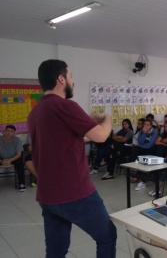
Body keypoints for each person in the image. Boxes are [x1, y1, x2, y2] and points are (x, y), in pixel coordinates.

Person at [28, 59, 116, 257]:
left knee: (56, 250)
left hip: (48, 196)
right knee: (107, 235)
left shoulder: (35, 112)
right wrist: (108, 119)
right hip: (75, 194)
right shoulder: (65, 106)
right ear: (61, 79)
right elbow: (101, 136)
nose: (73, 81)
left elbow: (67, 139)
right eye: (71, 76)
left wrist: (91, 124)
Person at [133, 119, 158, 191]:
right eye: (144, 125)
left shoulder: (154, 132)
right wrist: (144, 133)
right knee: (134, 149)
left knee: (144, 156)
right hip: (142, 149)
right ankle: (135, 168)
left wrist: (141, 146)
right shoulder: (141, 131)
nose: (146, 126)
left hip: (151, 150)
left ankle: (142, 181)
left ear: (150, 126)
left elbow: (150, 145)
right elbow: (140, 142)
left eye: (148, 125)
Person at [0, 125, 26, 191]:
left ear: (14, 133)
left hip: (13, 158)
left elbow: (19, 154)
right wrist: (1, 161)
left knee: (20, 163)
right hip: (1, 158)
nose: (9, 133)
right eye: (7, 130)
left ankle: (21, 184)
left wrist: (10, 160)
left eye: (11, 131)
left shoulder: (17, 140)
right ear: (4, 131)